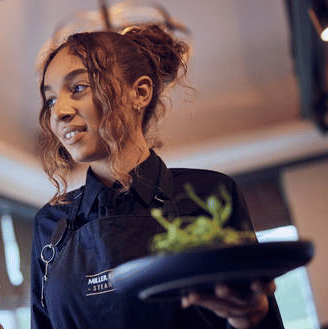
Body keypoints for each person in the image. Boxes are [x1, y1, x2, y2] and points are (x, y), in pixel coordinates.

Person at [30, 23, 284, 329]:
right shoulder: (50, 224)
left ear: (140, 92)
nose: (59, 112)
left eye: (79, 87)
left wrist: (248, 319)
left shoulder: (211, 193)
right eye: (51, 99)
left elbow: (256, 311)